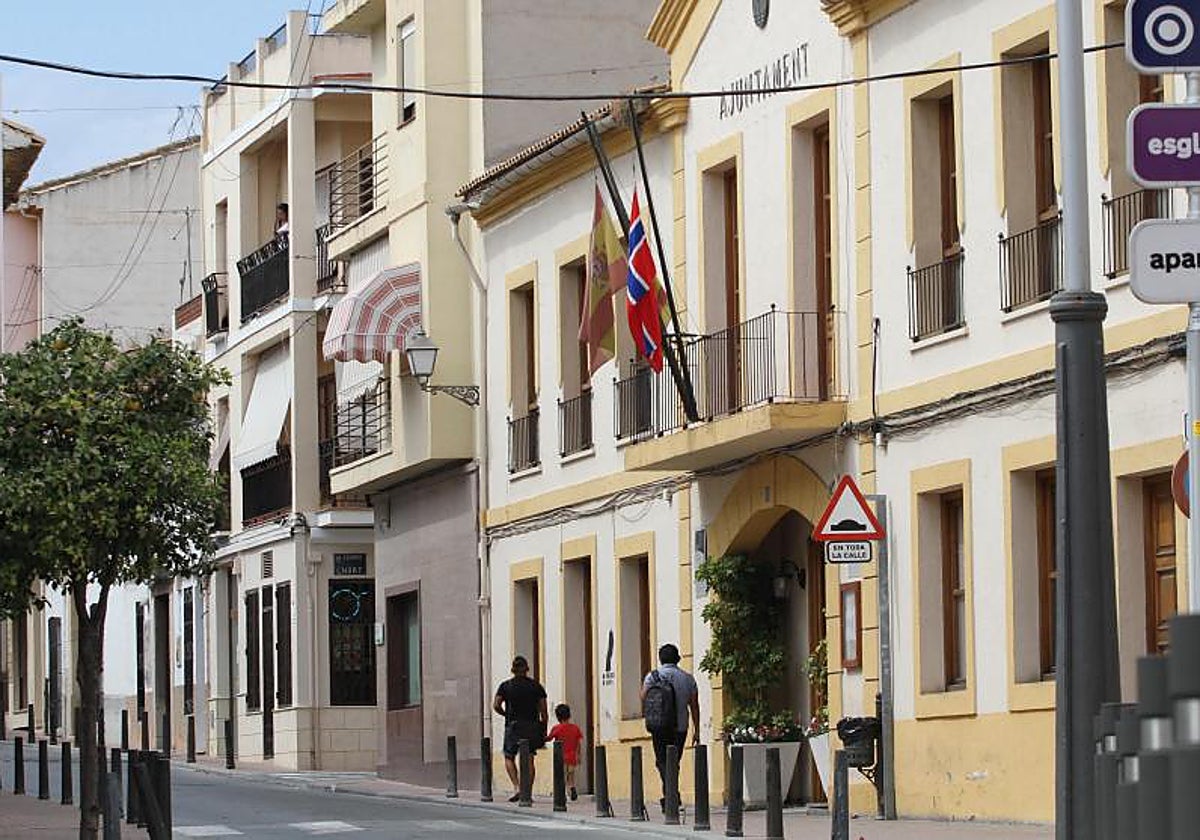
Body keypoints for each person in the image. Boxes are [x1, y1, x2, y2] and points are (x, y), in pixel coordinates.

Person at [641, 643, 699, 805]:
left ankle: (671, 794)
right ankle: (671, 794)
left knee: (662, 762)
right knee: (674, 761)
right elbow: (694, 706)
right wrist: (697, 730)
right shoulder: (688, 679)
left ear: (660, 659)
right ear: (678, 659)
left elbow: (644, 697)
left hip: (659, 726)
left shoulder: (652, 677)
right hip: (680, 727)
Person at [492, 655, 548, 802]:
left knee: (509, 756)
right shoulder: (536, 686)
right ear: (527, 669)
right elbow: (544, 711)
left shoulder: (506, 686)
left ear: (513, 669)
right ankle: (527, 791)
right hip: (531, 726)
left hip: (513, 725)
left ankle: (517, 787)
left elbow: (496, 705)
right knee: (529, 759)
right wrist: (543, 729)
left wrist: (505, 714)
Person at [547, 703, 585, 801]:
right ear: (569, 715)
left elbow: (549, 738)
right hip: (572, 755)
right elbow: (578, 743)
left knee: (561, 776)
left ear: (557, 717)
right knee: (571, 775)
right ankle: (572, 788)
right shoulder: (575, 728)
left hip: (561, 756)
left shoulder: (557, 728)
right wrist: (578, 755)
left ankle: (562, 794)